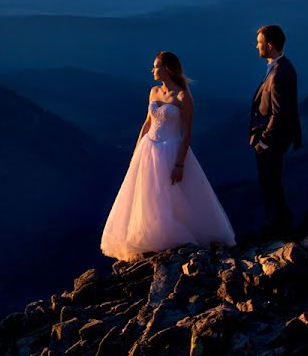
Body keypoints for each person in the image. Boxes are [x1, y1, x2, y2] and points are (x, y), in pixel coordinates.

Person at [101, 52, 236, 261]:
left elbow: (187, 132)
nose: (152, 70)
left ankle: (170, 240)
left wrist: (180, 163)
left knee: (169, 195)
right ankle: (149, 239)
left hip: (171, 149)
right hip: (149, 148)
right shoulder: (153, 91)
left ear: (167, 69)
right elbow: (147, 123)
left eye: (156, 66)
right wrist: (136, 152)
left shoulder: (183, 96)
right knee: (147, 195)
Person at [250, 25, 302, 237]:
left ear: (269, 46)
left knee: (270, 183)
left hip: (273, 140)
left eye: (260, 43)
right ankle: (279, 224)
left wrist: (264, 141)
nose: (257, 46)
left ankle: (278, 227)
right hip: (275, 138)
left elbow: (279, 113)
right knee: (272, 182)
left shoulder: (280, 73)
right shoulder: (281, 67)